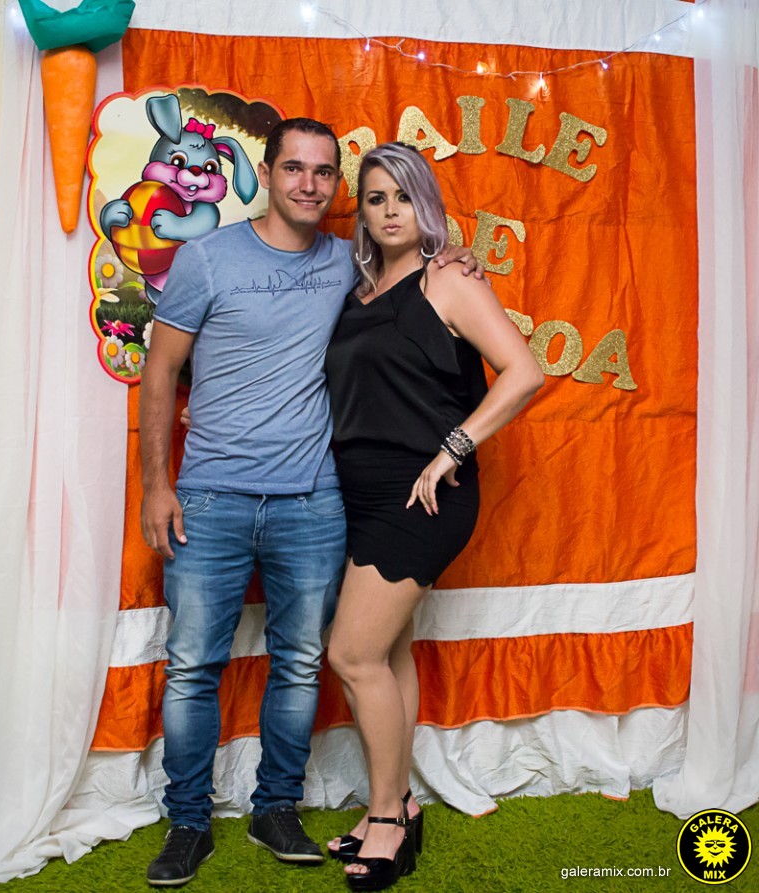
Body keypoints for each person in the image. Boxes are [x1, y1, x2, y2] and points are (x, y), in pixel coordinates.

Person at [138, 119, 483, 887]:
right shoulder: (207, 257)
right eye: (293, 167)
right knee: (192, 665)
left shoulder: (349, 265)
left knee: (300, 663)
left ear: (336, 186)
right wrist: (157, 484)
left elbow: (421, 282)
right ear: (264, 173)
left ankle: (277, 807)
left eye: (324, 172)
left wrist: (455, 255)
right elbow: (159, 372)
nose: (308, 183)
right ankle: (188, 821)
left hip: (314, 500)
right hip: (211, 496)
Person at [323, 142, 544, 891]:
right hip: (360, 492)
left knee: (351, 655)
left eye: (403, 196)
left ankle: (387, 817)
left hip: (422, 493)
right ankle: (398, 804)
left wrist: (455, 447)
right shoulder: (360, 290)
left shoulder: (448, 277)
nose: (390, 211)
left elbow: (525, 371)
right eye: (375, 198)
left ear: (427, 204)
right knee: (387, 654)